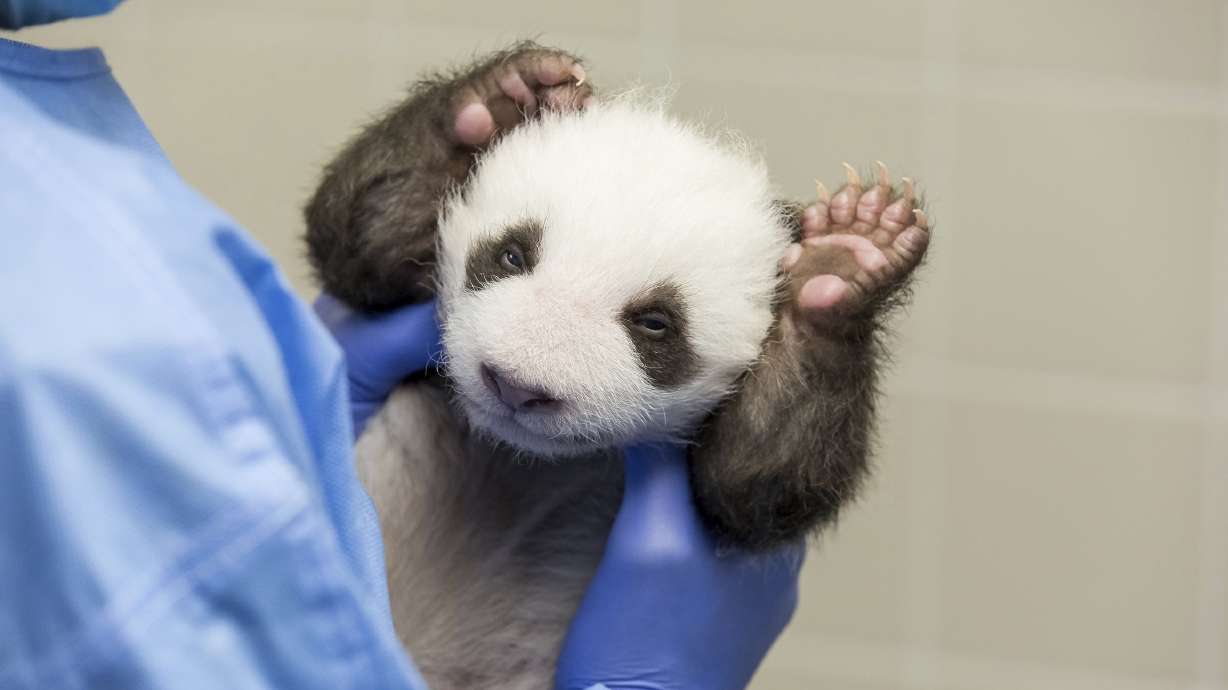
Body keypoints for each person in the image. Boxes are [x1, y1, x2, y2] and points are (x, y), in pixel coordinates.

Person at [0, 2, 803, 689]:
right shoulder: (63, 341)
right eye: (513, 257)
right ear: (458, 206)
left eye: (653, 325)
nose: (527, 367)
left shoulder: (50, 155)